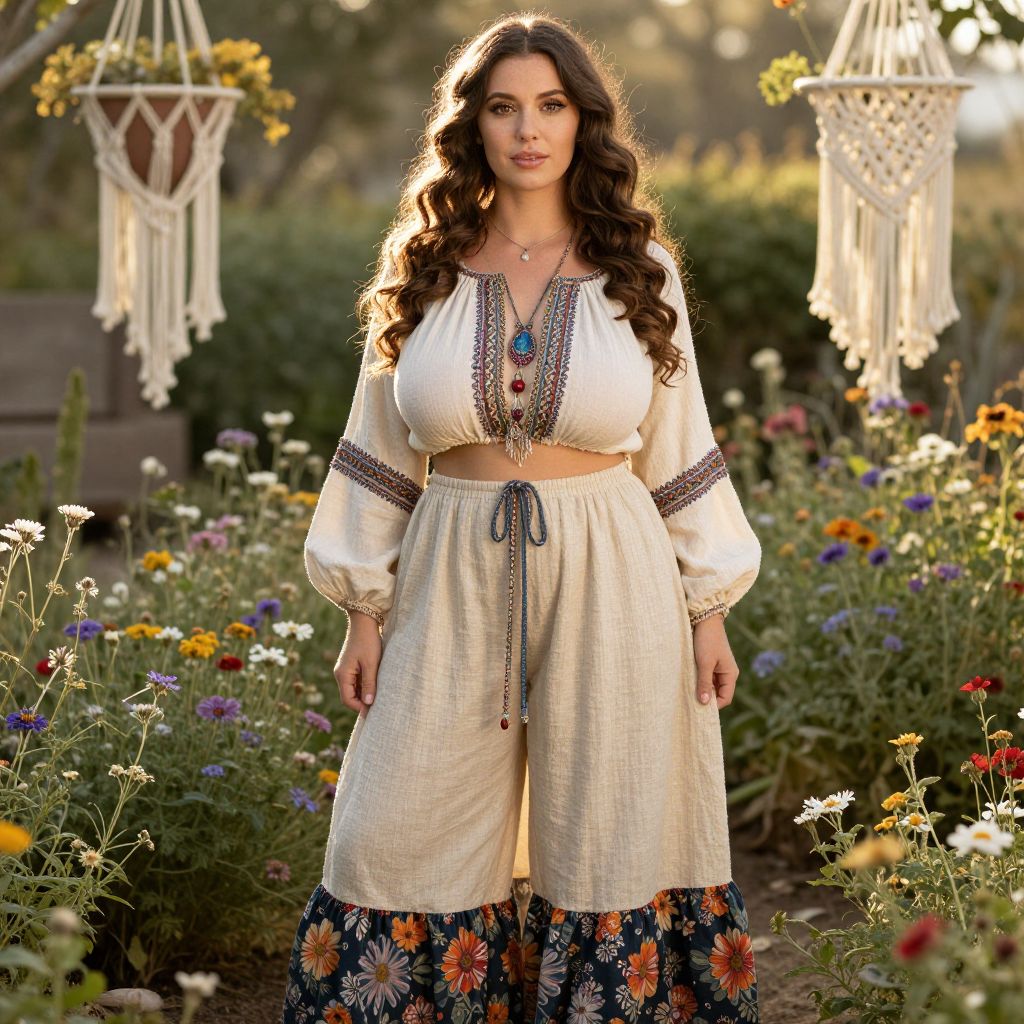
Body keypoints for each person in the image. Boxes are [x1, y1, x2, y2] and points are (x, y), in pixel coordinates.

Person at [281, 12, 762, 1024]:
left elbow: (678, 448)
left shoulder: (640, 269)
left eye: (550, 105)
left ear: (584, 121)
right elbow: (378, 448)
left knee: (605, 830)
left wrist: (709, 608)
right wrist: (360, 610)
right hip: (448, 560)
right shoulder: (423, 265)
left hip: (612, 564)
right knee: (392, 822)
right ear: (473, 124)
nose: (528, 129)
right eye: (504, 107)